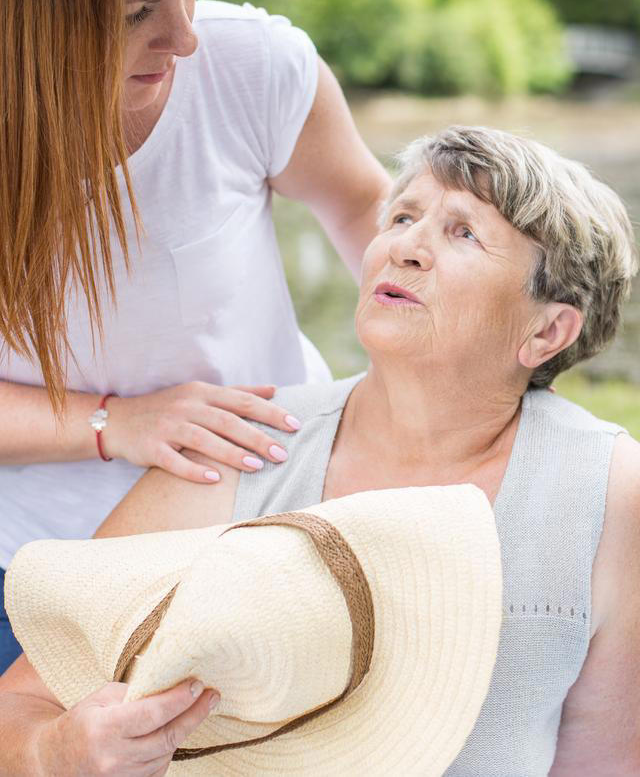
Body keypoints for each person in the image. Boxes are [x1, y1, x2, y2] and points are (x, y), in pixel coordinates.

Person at [1, 125, 638, 775]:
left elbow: (607, 758)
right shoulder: (246, 444)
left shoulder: (608, 491)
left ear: (547, 330)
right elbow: (23, 700)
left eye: (463, 232)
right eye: (402, 215)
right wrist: (57, 752)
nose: (403, 247)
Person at [0, 0, 391, 670]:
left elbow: (368, 211)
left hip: (271, 548)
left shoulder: (255, 67)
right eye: (136, 11)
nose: (184, 38)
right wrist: (116, 423)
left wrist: (424, 386)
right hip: (39, 577)